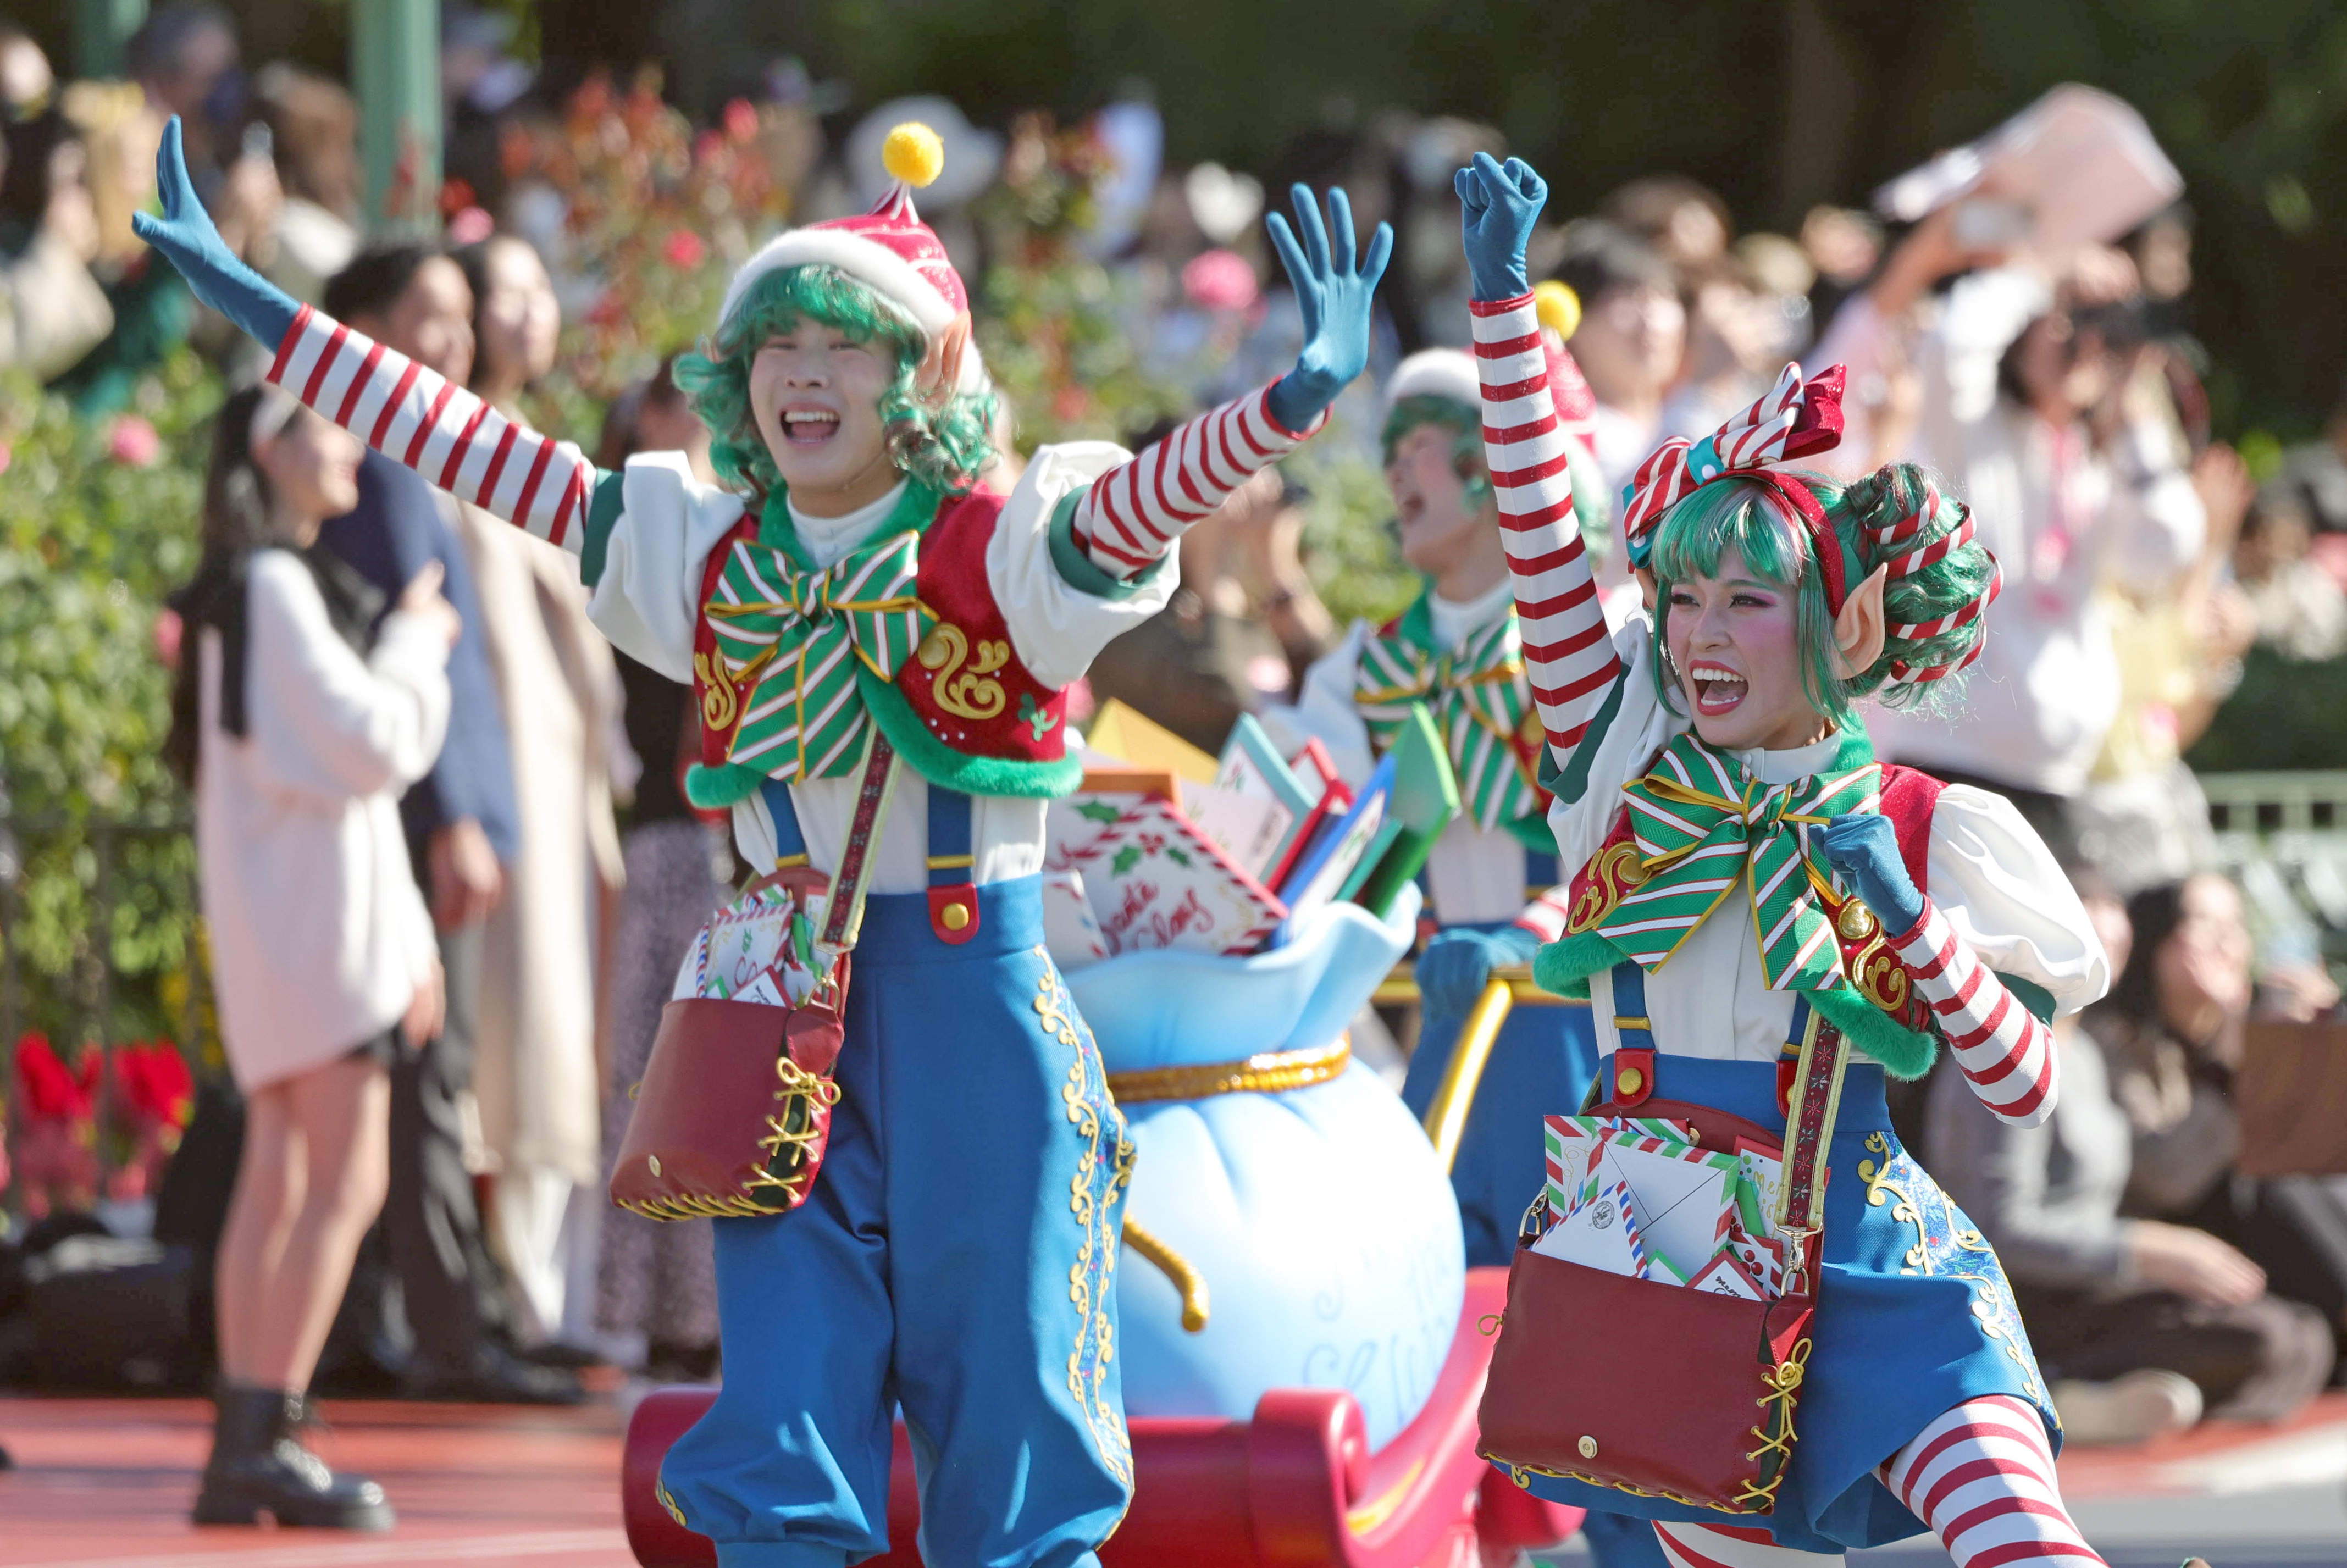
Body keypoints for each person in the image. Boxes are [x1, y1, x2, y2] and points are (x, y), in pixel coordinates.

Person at [139, 114, 1390, 1567]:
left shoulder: (1001, 544)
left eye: (843, 347)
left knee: (1012, 1399)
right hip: (774, 1012)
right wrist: (275, 321)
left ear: (921, 375)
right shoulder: (701, 548)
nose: (802, 374)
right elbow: (477, 447)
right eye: (778, 346)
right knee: (783, 1407)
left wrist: (1284, 405)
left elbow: (1134, 505)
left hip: (972, 1012)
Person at [1459, 151, 2120, 1565]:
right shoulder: (1618, 769)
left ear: (1838, 628)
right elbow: (1540, 546)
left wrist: (1909, 917)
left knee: (2028, 1542)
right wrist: (1503, 315)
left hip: (1879, 1271)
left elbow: (2021, 1083)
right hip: (1671, 1272)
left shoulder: (1923, 822)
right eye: (1683, 597)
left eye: (1747, 600)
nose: (1699, 631)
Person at [167, 383, 460, 1527]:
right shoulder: (278, 585)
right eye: (320, 422)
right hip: (322, 933)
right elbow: (371, 744)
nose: (346, 443)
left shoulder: (248, 589)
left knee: (283, 1173)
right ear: (270, 450)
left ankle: (247, 1436)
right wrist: (416, 641)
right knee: (340, 1177)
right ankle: (264, 1431)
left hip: (291, 929)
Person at [308, 242, 574, 1404]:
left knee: (430, 1069)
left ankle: (423, 1317)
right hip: (418, 822)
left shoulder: (410, 452)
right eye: (430, 314)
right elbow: (418, 648)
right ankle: (448, 1333)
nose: (456, 340)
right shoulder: (372, 458)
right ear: (365, 324)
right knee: (429, 1070)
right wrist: (457, 815)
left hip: (438, 819)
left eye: (464, 316)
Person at [1813, 213, 2208, 861]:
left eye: (2097, 336)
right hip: (1943, 760)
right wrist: (2044, 269)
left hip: (2050, 778)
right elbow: (1955, 345)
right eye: (2066, 328)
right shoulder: (1976, 435)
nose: (2083, 347)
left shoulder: (2092, 458)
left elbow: (2161, 550)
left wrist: (2132, 399)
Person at [1929, 864, 2332, 1442]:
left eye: (2111, 949)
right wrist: (2146, 1248)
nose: (2098, 963)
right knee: (2262, 1337)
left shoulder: (2083, 1051)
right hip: (2030, 1303)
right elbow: (1993, 1227)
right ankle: (2047, 1388)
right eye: (2083, 945)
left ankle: (2123, 1395)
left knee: (2304, 1334)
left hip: (2097, 1288)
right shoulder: (2002, 1054)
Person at [450, 231, 624, 1355]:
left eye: (538, 286)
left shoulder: (535, 455)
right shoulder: (451, 453)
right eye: (502, 290)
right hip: (505, 793)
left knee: (565, 1029)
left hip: (568, 794)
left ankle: (546, 1295)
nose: (529, 309)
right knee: (518, 1035)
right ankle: (512, 1296)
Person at [591, 357, 727, 1384]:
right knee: (659, 1075)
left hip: (724, 839)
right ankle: (661, 1312)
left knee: (720, 1076)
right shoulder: (638, 533)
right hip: (674, 835)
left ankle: (705, 1311)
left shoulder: (745, 528)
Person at [2093, 875, 2347, 1367]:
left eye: (2235, 924)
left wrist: (2322, 1035)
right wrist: (2245, 1061)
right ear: (2157, 940)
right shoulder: (2113, 1044)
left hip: (2273, 1246)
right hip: (2168, 1243)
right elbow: (2168, 1180)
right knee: (2274, 1176)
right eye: (2204, 923)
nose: (2225, 941)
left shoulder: (2249, 1021)